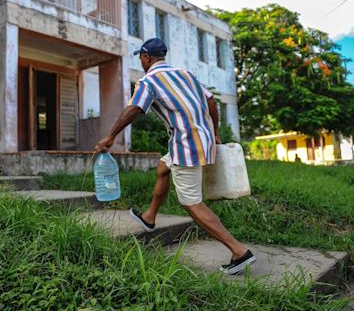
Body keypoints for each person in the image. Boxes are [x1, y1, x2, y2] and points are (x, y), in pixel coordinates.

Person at [94, 38, 256, 275]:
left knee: (191, 203)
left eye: (141, 58)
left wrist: (109, 137)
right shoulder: (185, 74)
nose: (141, 62)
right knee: (163, 167)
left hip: (186, 144)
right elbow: (212, 103)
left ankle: (238, 251)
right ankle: (149, 217)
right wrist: (216, 133)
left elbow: (134, 109)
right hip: (201, 139)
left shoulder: (148, 81)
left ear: (147, 58)